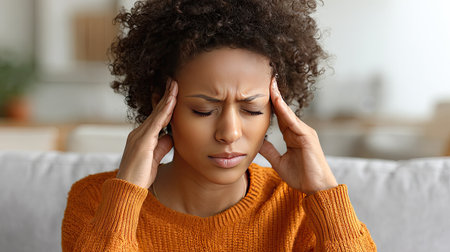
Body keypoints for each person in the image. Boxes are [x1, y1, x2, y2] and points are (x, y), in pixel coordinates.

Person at [62, 0, 377, 251]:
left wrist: (324, 191)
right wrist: (126, 195)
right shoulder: (96, 203)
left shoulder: (299, 210)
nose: (230, 133)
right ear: (161, 104)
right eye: (203, 110)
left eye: (252, 110)